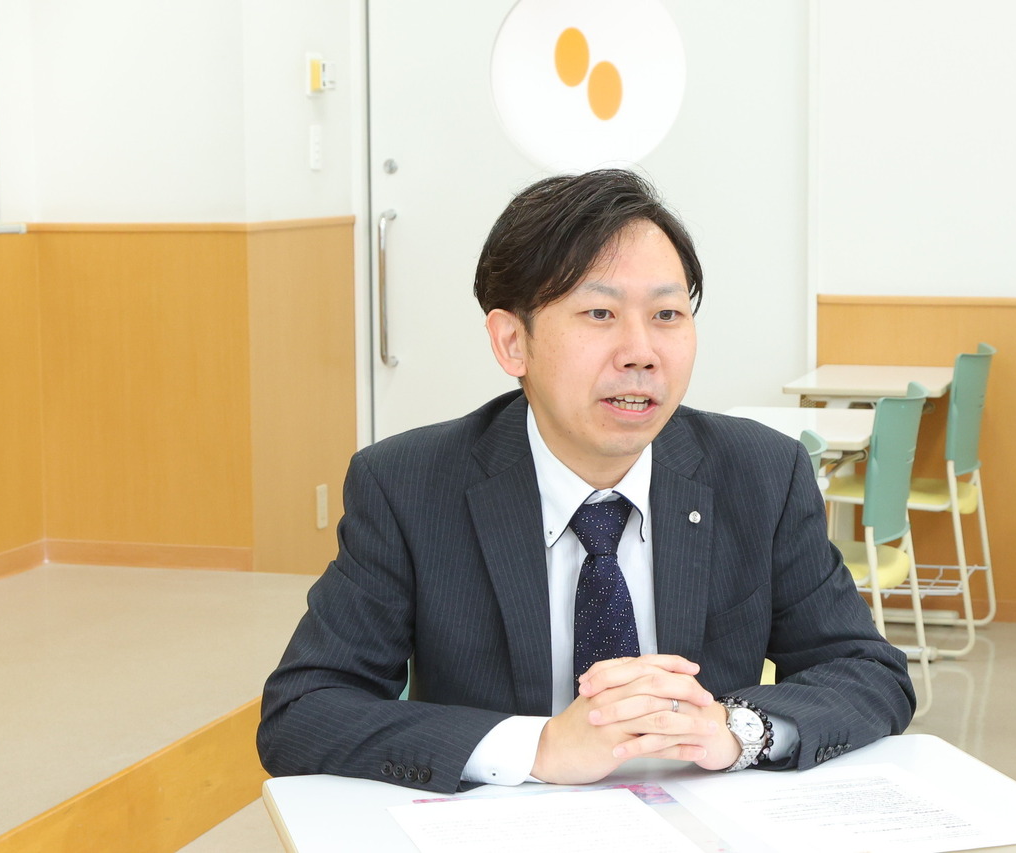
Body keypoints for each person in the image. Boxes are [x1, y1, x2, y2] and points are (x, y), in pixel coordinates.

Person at [257, 169, 914, 794]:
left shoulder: (760, 474)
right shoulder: (408, 487)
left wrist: (736, 730)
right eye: (600, 313)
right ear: (512, 342)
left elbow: (868, 671)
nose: (641, 352)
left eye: (667, 314)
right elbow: (303, 711)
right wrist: (538, 747)